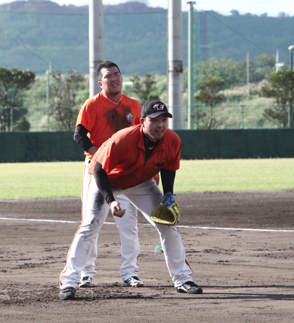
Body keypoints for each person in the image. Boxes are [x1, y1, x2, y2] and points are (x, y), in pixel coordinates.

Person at [60, 100, 202, 300]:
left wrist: (168, 195)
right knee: (91, 224)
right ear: (143, 121)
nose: (160, 125)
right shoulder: (123, 139)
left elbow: (169, 168)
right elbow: (99, 171)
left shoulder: (173, 140)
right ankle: (69, 282)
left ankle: (183, 279)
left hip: (140, 181)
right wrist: (111, 200)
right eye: (155, 120)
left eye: (164, 120)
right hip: (107, 179)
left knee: (167, 224)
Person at [72, 60, 145, 288]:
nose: (114, 78)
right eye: (109, 76)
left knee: (129, 224)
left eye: (117, 74)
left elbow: (141, 135)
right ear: (100, 82)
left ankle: (130, 273)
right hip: (97, 169)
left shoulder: (133, 104)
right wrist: (98, 158)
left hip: (124, 172)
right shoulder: (92, 104)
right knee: (91, 222)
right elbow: (80, 136)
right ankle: (87, 272)